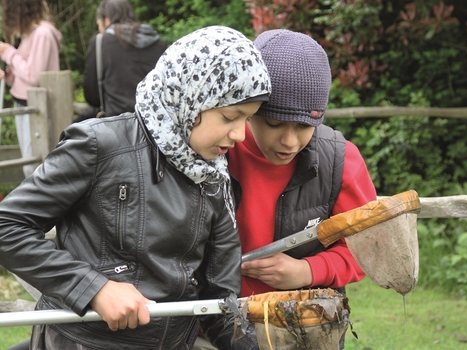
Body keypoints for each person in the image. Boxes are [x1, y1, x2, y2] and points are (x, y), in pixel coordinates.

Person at [0, 25, 271, 350]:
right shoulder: (100, 145)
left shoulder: (215, 178)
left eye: (247, 119)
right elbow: (8, 226)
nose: (240, 135)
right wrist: (93, 288)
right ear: (191, 96)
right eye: (230, 116)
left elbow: (220, 305)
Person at [228, 29, 377, 348]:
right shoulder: (217, 148)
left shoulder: (341, 161)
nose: (290, 141)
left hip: (307, 329)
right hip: (221, 324)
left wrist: (307, 271)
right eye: (275, 123)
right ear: (250, 107)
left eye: (305, 126)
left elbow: (369, 249)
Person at [0, 0, 62, 178]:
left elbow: (34, 77)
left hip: (36, 109)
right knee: (30, 164)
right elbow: (26, 73)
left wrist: (8, 52)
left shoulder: (42, 34)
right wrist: (10, 75)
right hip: (25, 105)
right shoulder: (30, 34)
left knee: (35, 166)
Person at [79, 0, 167, 121]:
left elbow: (92, 97)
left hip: (117, 126)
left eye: (99, 24)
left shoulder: (100, 42)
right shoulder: (159, 43)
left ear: (107, 20)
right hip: (156, 124)